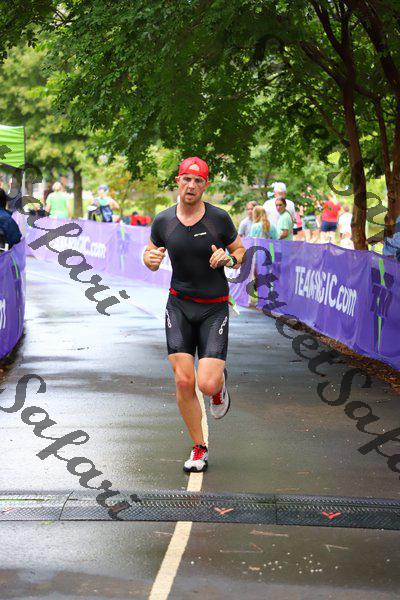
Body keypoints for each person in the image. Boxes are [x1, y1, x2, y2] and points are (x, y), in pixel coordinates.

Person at [144, 157, 246, 473]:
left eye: (198, 181)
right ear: (178, 181)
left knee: (207, 384)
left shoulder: (218, 219)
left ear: (205, 185)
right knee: (183, 380)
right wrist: (149, 259)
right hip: (179, 306)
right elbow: (150, 253)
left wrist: (228, 259)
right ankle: (199, 447)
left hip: (214, 308)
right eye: (186, 179)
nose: (191, 185)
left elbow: (240, 252)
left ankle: (218, 386)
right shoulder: (163, 221)